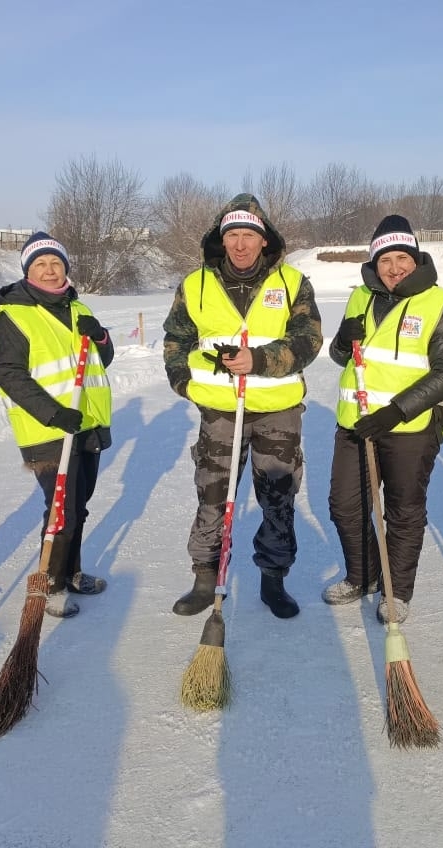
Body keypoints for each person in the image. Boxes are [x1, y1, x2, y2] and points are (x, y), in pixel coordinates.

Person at [163, 193, 323, 620]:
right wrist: (184, 383)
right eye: (232, 234)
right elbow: (176, 340)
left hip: (277, 410)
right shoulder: (195, 285)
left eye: (248, 235)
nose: (240, 244)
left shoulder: (292, 283)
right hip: (218, 411)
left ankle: (273, 579)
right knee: (212, 495)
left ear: (264, 241)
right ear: (221, 239)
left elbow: (309, 340)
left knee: (277, 496)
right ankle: (204, 577)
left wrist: (262, 361)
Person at [323, 215, 443, 623]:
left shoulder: (440, 303)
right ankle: (363, 574)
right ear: (374, 262)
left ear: (416, 259)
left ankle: (396, 590)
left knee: (403, 510)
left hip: (409, 426)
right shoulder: (359, 298)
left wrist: (396, 411)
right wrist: (341, 342)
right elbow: (340, 357)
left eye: (403, 257)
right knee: (345, 505)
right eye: (386, 259)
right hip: (356, 422)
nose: (394, 267)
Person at [0, 233, 114, 618]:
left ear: (65, 268)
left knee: (78, 505)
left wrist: (101, 336)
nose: (49, 270)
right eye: (40, 264)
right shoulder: (14, 314)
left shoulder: (78, 307)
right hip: (47, 430)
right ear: (28, 271)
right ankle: (54, 585)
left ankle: (72, 571)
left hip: (86, 422)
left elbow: (102, 359)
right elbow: (10, 375)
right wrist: (53, 413)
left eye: (55, 263)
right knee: (62, 509)